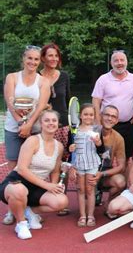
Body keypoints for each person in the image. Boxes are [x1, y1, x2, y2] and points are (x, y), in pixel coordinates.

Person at [0, 110, 68, 239]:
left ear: (58, 123)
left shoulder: (59, 146)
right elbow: (22, 170)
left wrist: (54, 186)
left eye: (54, 120)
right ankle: (21, 223)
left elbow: (55, 170)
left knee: (61, 201)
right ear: (41, 124)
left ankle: (29, 211)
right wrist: (47, 186)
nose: (51, 123)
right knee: (18, 190)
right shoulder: (32, 141)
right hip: (16, 182)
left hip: (36, 187)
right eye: (47, 120)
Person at [3, 45, 50, 225]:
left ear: (40, 61)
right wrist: (21, 124)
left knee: (30, 170)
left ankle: (27, 208)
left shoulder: (43, 81)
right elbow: (9, 102)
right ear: (23, 59)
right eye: (29, 58)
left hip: (35, 130)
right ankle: (11, 210)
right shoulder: (12, 77)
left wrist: (29, 125)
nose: (32, 62)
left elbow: (41, 106)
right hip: (13, 129)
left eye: (36, 59)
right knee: (14, 171)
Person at [91, 50, 133, 159]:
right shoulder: (103, 79)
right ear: (111, 63)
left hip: (129, 126)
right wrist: (97, 122)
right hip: (107, 126)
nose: (119, 63)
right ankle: (105, 176)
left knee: (128, 158)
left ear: (126, 62)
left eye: (122, 60)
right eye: (116, 60)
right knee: (104, 158)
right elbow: (96, 101)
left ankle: (124, 177)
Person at [40, 43, 72, 216]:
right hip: (43, 127)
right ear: (43, 58)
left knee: (62, 164)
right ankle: (40, 197)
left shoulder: (64, 76)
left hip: (62, 127)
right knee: (42, 162)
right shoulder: (37, 77)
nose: (53, 59)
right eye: (49, 55)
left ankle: (61, 197)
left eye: (56, 56)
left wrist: (68, 123)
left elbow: (67, 100)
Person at [88, 105, 127, 219]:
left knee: (120, 181)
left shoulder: (118, 138)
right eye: (107, 115)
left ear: (116, 120)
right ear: (101, 116)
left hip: (104, 175)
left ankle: (108, 204)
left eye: (113, 116)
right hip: (88, 173)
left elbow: (121, 166)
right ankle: (88, 209)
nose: (110, 118)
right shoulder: (90, 132)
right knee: (88, 195)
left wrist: (102, 174)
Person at [68, 103, 103, 227]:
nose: (88, 117)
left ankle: (91, 215)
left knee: (90, 189)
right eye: (86, 114)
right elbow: (70, 148)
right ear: (80, 116)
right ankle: (82, 215)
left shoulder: (97, 129)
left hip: (92, 163)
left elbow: (101, 148)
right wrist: (70, 148)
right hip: (79, 164)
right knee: (81, 189)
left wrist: (98, 142)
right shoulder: (74, 129)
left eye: (91, 114)